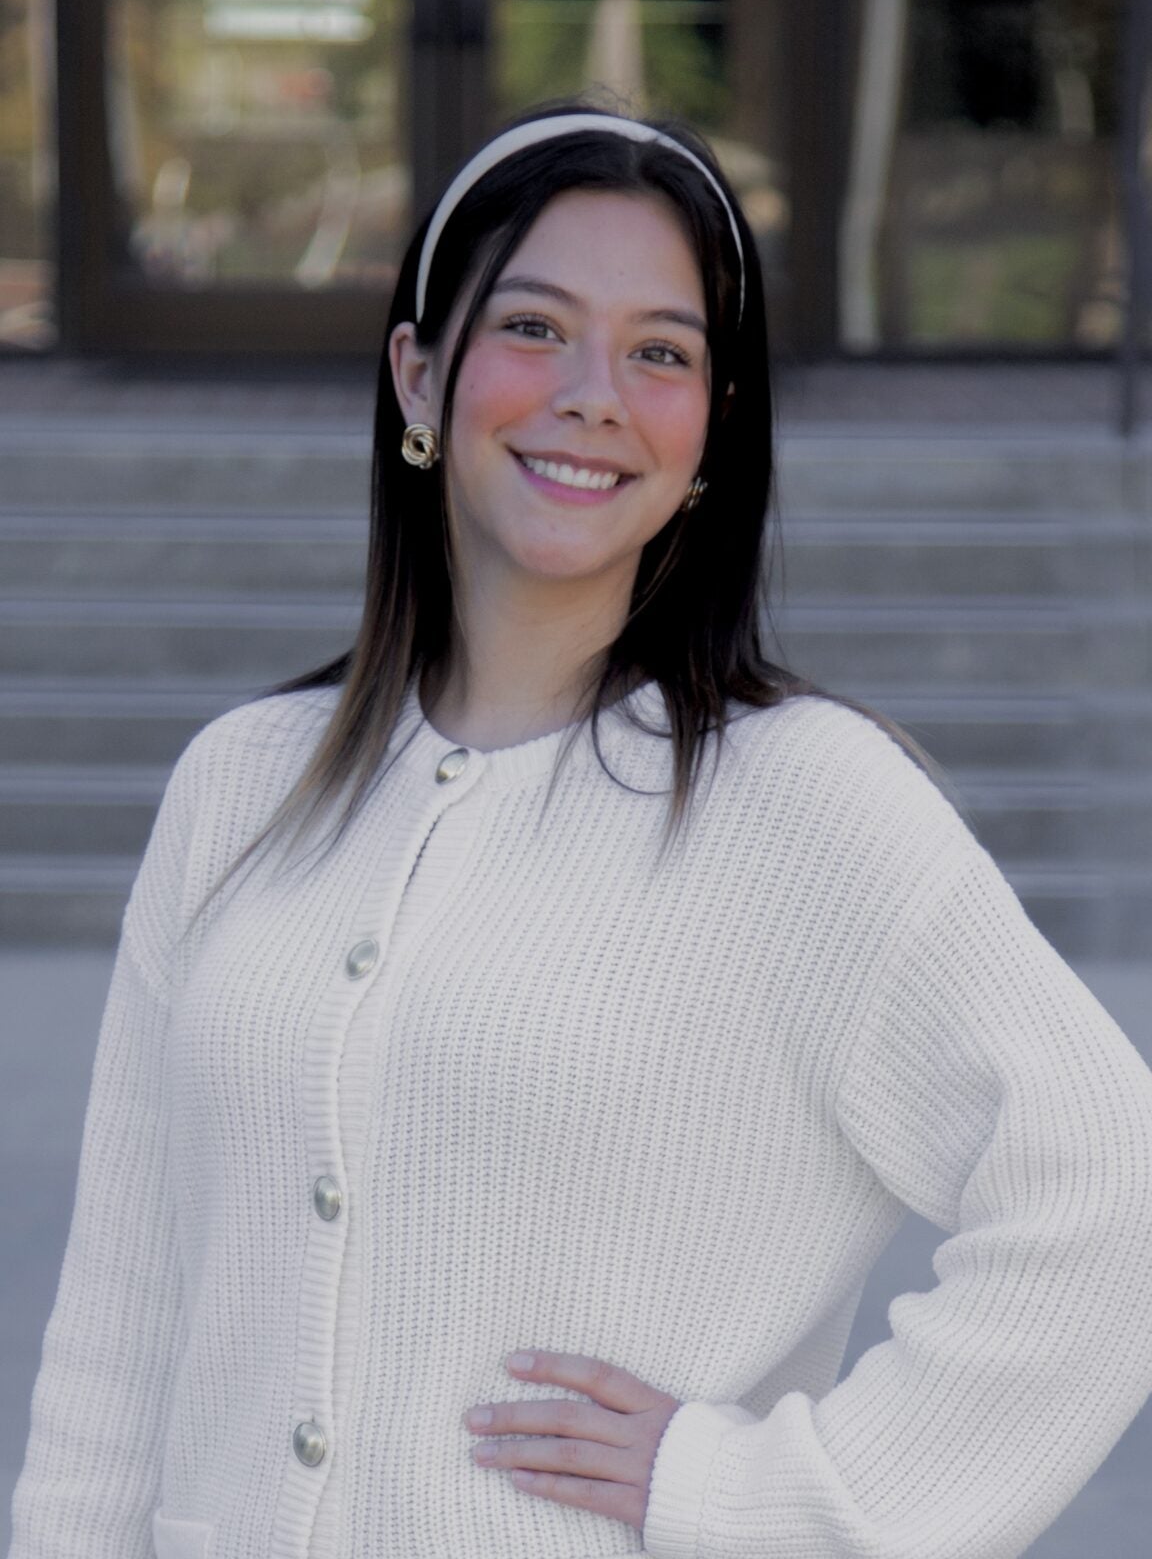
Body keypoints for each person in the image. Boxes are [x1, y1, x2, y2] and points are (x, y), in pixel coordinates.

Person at [8, 100, 1152, 1559]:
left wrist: (759, 1500)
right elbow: (122, 1329)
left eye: (662, 353)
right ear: (418, 375)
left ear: (711, 434)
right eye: (536, 328)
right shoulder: (242, 787)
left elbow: (1115, 1195)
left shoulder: (807, 806)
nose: (596, 392)